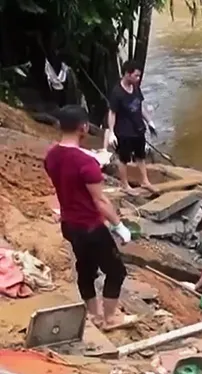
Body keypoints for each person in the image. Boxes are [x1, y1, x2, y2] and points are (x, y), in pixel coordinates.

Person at [45, 105, 135, 331]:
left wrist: (92, 160)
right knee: (116, 271)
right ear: (84, 127)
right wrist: (119, 225)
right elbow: (101, 200)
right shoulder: (86, 163)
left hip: (69, 224)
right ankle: (111, 318)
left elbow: (68, 172)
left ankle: (94, 315)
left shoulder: (51, 156)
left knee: (85, 269)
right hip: (90, 227)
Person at [104, 60, 157, 194]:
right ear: (127, 74)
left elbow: (140, 106)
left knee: (140, 156)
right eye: (136, 76)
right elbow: (112, 113)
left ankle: (145, 181)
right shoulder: (117, 92)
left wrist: (149, 122)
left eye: (139, 76)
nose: (138, 79)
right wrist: (111, 132)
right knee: (124, 159)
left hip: (138, 128)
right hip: (124, 131)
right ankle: (124, 185)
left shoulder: (136, 88)